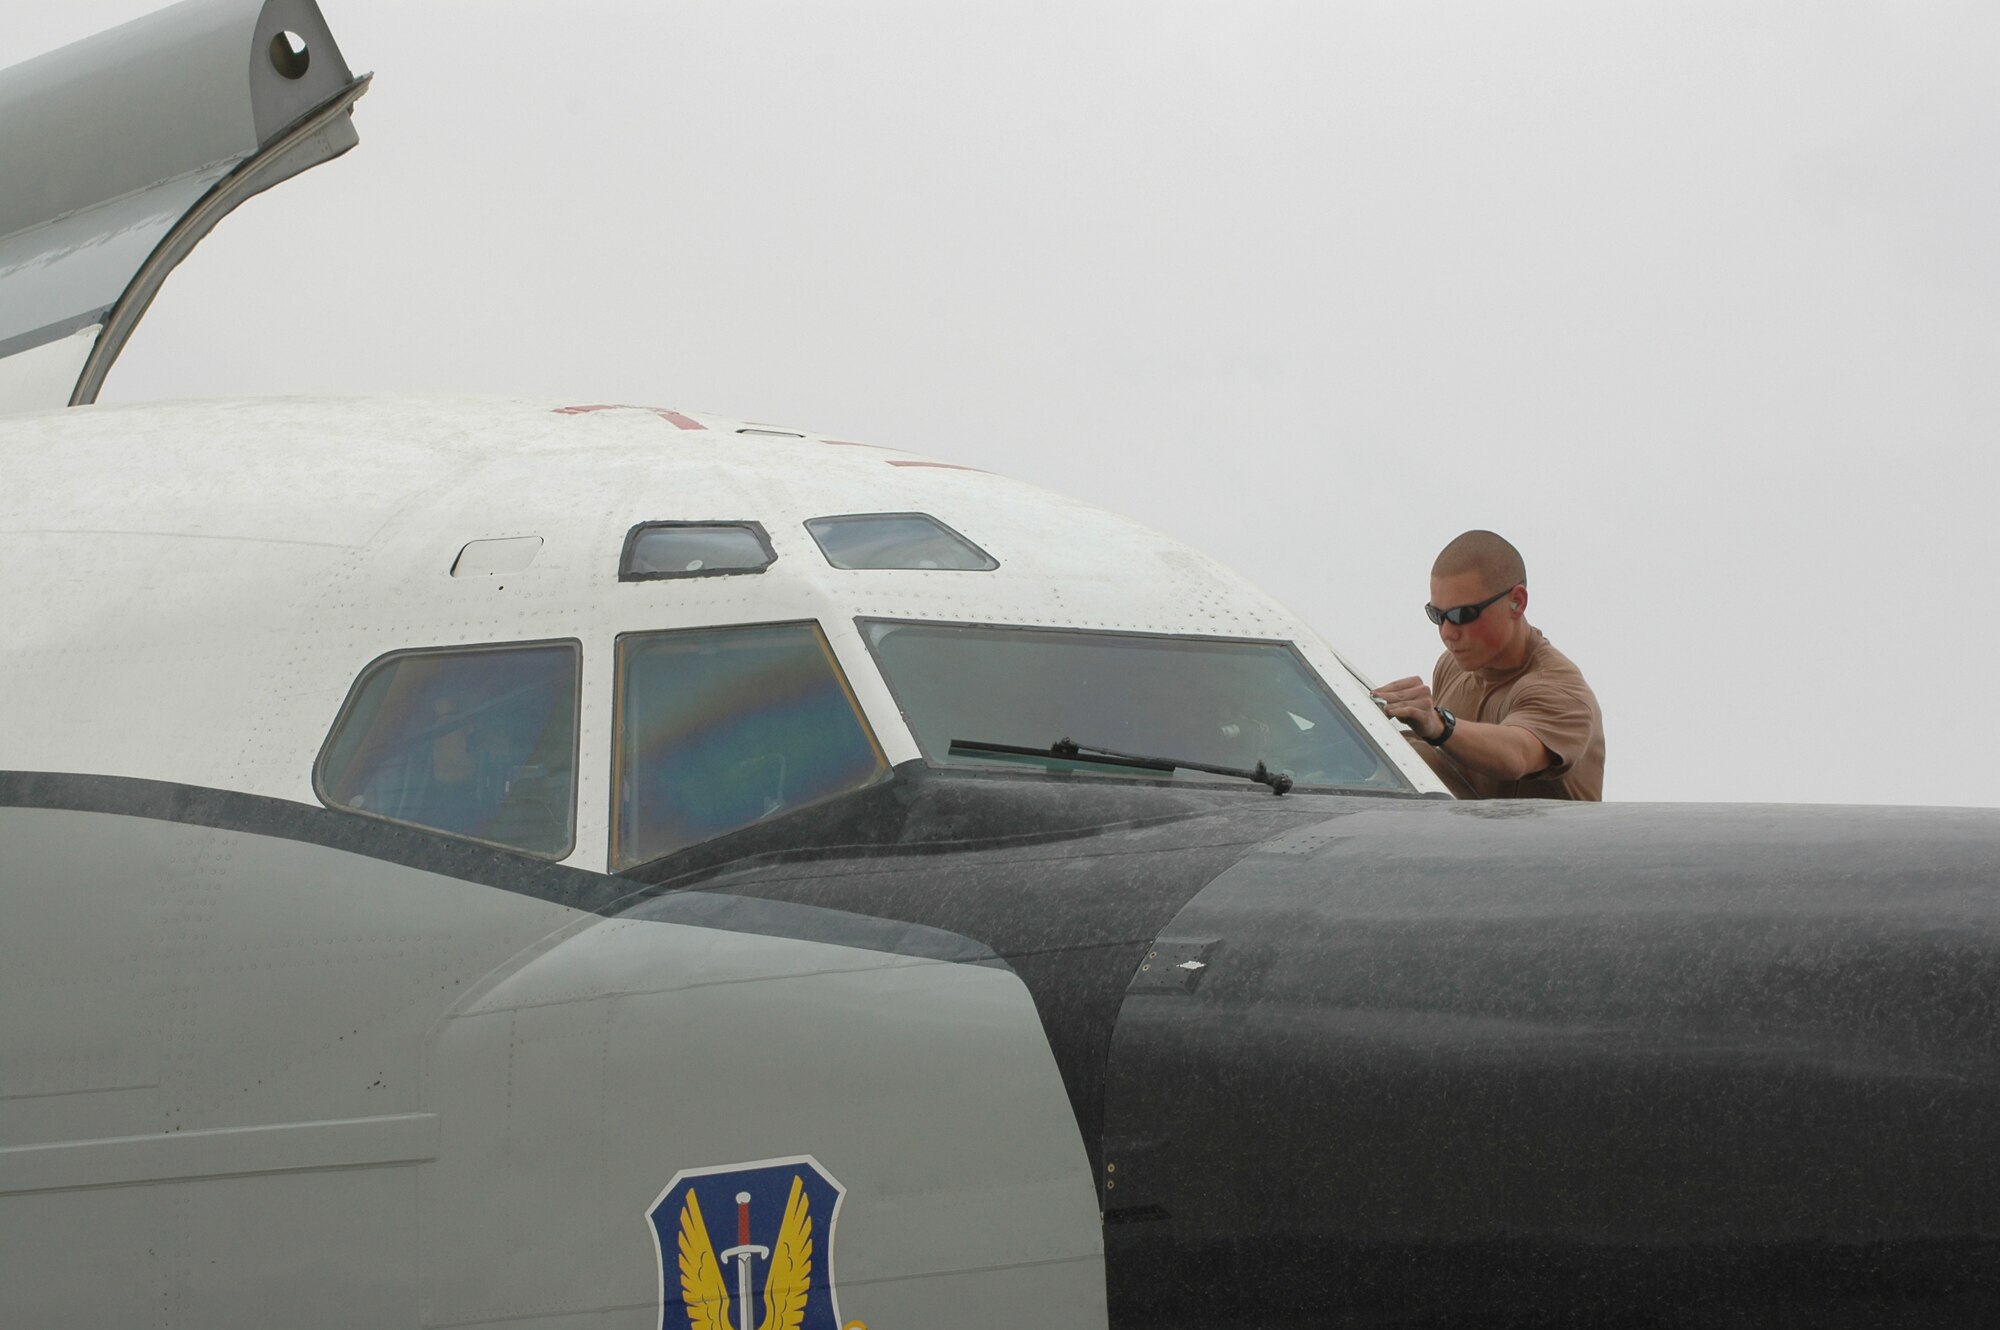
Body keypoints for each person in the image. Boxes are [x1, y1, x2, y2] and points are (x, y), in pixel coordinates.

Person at [1371, 530, 1604, 800]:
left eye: (1462, 615)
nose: (1447, 632)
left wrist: (1438, 725)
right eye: (1438, 616)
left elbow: (1518, 754)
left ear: (1516, 602)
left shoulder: (1560, 691)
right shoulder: (1453, 666)